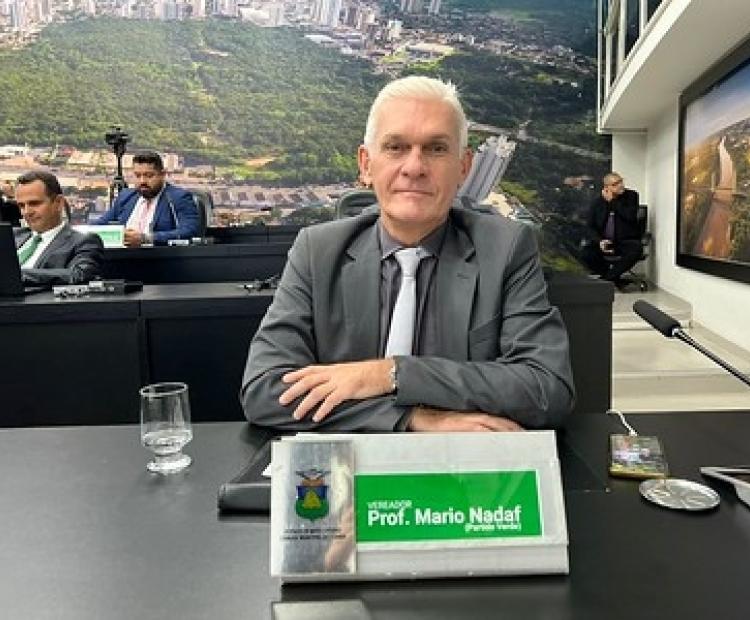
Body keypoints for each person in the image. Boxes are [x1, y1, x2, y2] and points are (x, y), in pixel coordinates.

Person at [240, 76, 574, 433]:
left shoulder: (506, 248)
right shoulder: (316, 251)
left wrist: (391, 373)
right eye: (396, 147)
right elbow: (265, 390)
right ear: (366, 164)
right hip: (348, 462)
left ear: (464, 168)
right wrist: (413, 419)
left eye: (436, 149)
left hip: (464, 463)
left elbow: (547, 389)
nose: (414, 167)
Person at [14, 170, 103, 286]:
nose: (26, 212)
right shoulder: (12, 236)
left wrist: (14, 275)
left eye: (34, 203)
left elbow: (79, 274)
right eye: (21, 206)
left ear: (58, 203)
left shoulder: (83, 242)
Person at [96, 151, 199, 246]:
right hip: (121, 256)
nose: (142, 181)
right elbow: (99, 225)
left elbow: (189, 231)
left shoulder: (178, 198)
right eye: (137, 175)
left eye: (149, 176)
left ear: (162, 175)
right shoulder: (126, 196)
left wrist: (145, 238)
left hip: (159, 257)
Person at [581, 172, 641, 288]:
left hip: (624, 241)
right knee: (586, 253)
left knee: (636, 249)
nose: (620, 185)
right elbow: (589, 226)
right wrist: (599, 241)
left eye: (621, 181)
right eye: (615, 184)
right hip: (604, 241)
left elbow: (630, 216)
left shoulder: (631, 196)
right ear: (606, 188)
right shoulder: (597, 202)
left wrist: (612, 202)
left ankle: (606, 280)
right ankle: (613, 277)